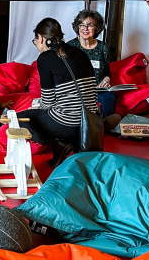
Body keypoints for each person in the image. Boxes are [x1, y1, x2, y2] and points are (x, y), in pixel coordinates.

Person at [16, 18, 97, 167]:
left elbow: (47, 103)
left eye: (36, 40)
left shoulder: (45, 59)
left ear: (41, 38)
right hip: (90, 123)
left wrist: (36, 108)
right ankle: (72, 142)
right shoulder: (80, 53)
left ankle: (57, 143)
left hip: (67, 123)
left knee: (19, 119)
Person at [66, 9, 121, 127]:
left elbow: (107, 72)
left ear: (97, 28)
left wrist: (106, 81)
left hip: (98, 90)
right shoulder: (70, 46)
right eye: (82, 25)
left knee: (108, 98)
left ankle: (103, 125)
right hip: (78, 90)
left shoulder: (103, 47)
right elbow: (65, 73)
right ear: (77, 27)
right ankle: (89, 126)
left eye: (90, 25)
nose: (85, 28)